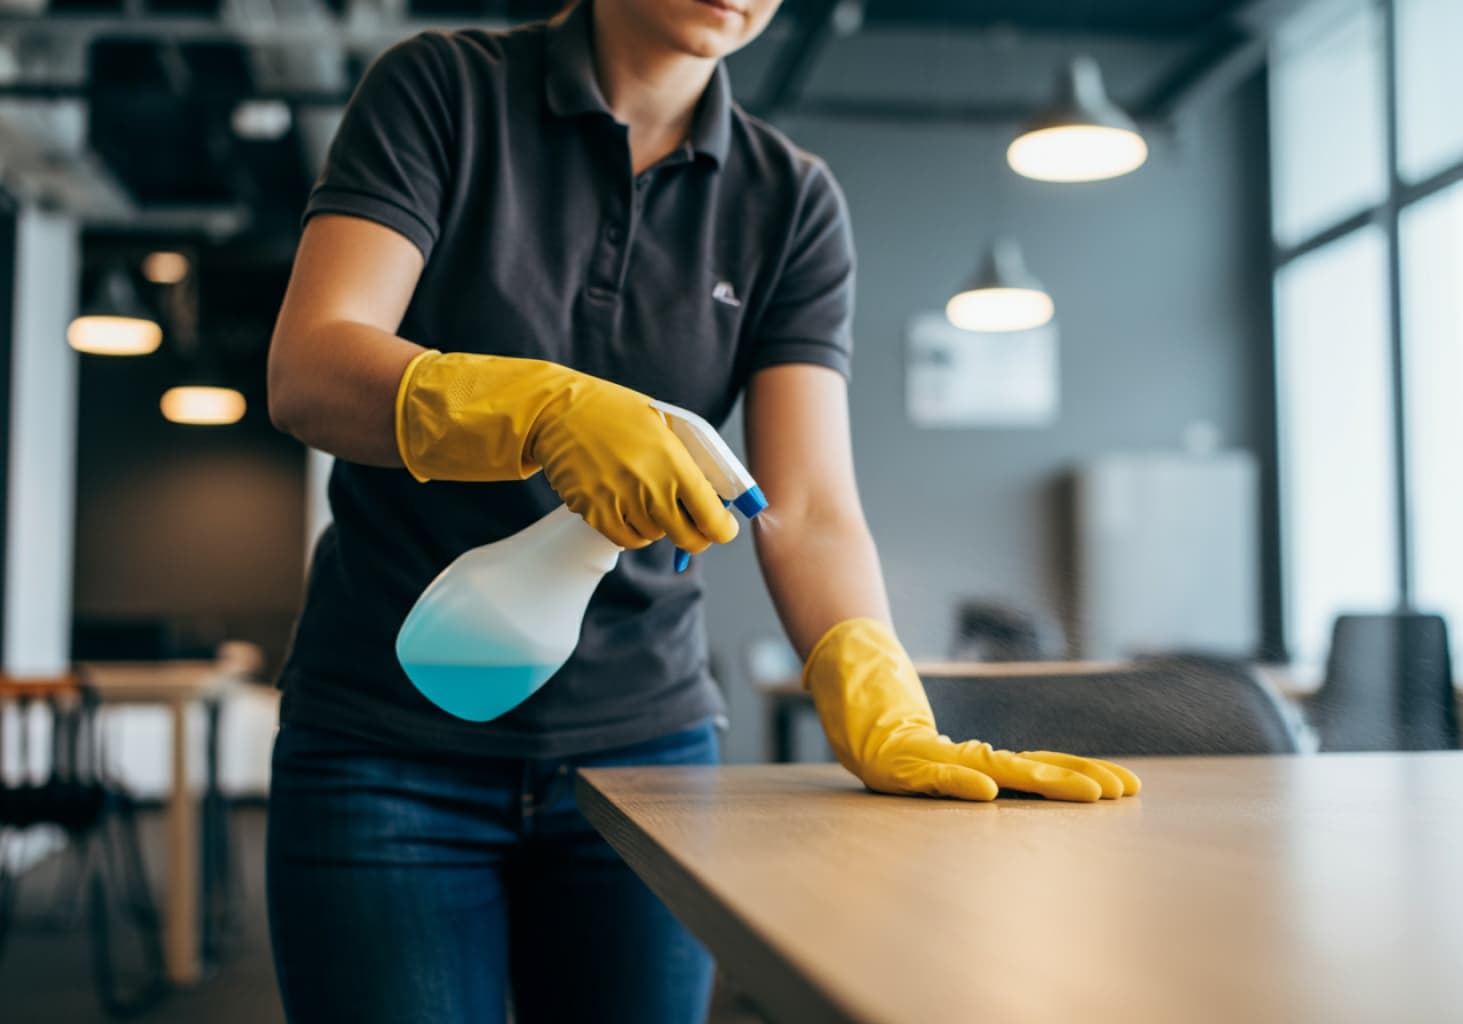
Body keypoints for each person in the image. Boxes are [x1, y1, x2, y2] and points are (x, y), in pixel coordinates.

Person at [264, 1, 1141, 1021]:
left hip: (648, 755)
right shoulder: (442, 93)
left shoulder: (790, 199)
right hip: (386, 742)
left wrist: (876, 691)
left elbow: (806, 504)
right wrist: (544, 407)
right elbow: (312, 367)